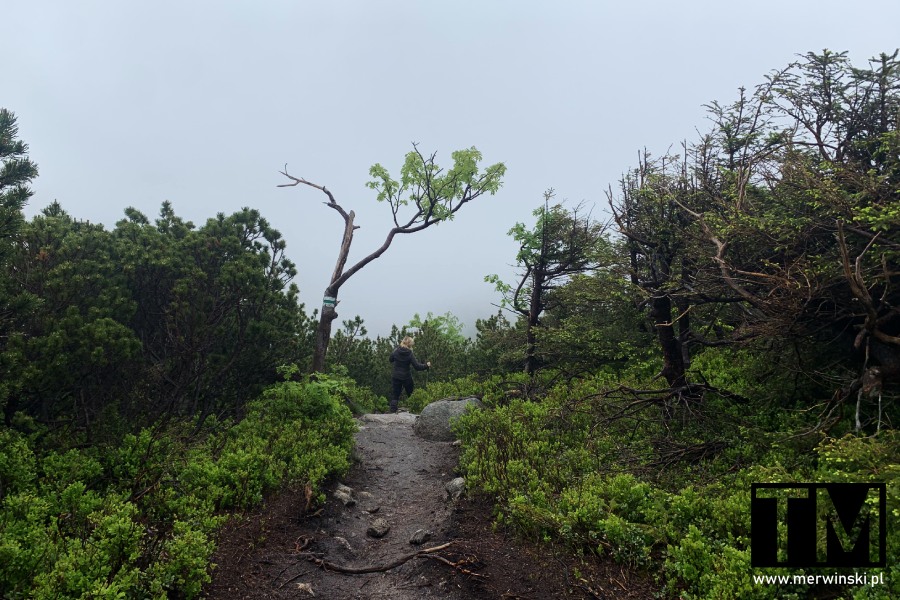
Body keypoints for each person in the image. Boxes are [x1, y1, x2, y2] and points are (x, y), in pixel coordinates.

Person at [388, 336, 431, 413]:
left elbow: (390, 359)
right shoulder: (409, 354)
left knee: (395, 396)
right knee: (411, 395)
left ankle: (392, 412)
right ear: (410, 345)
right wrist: (426, 365)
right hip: (406, 377)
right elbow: (417, 367)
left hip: (396, 376)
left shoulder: (396, 351)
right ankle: (414, 411)